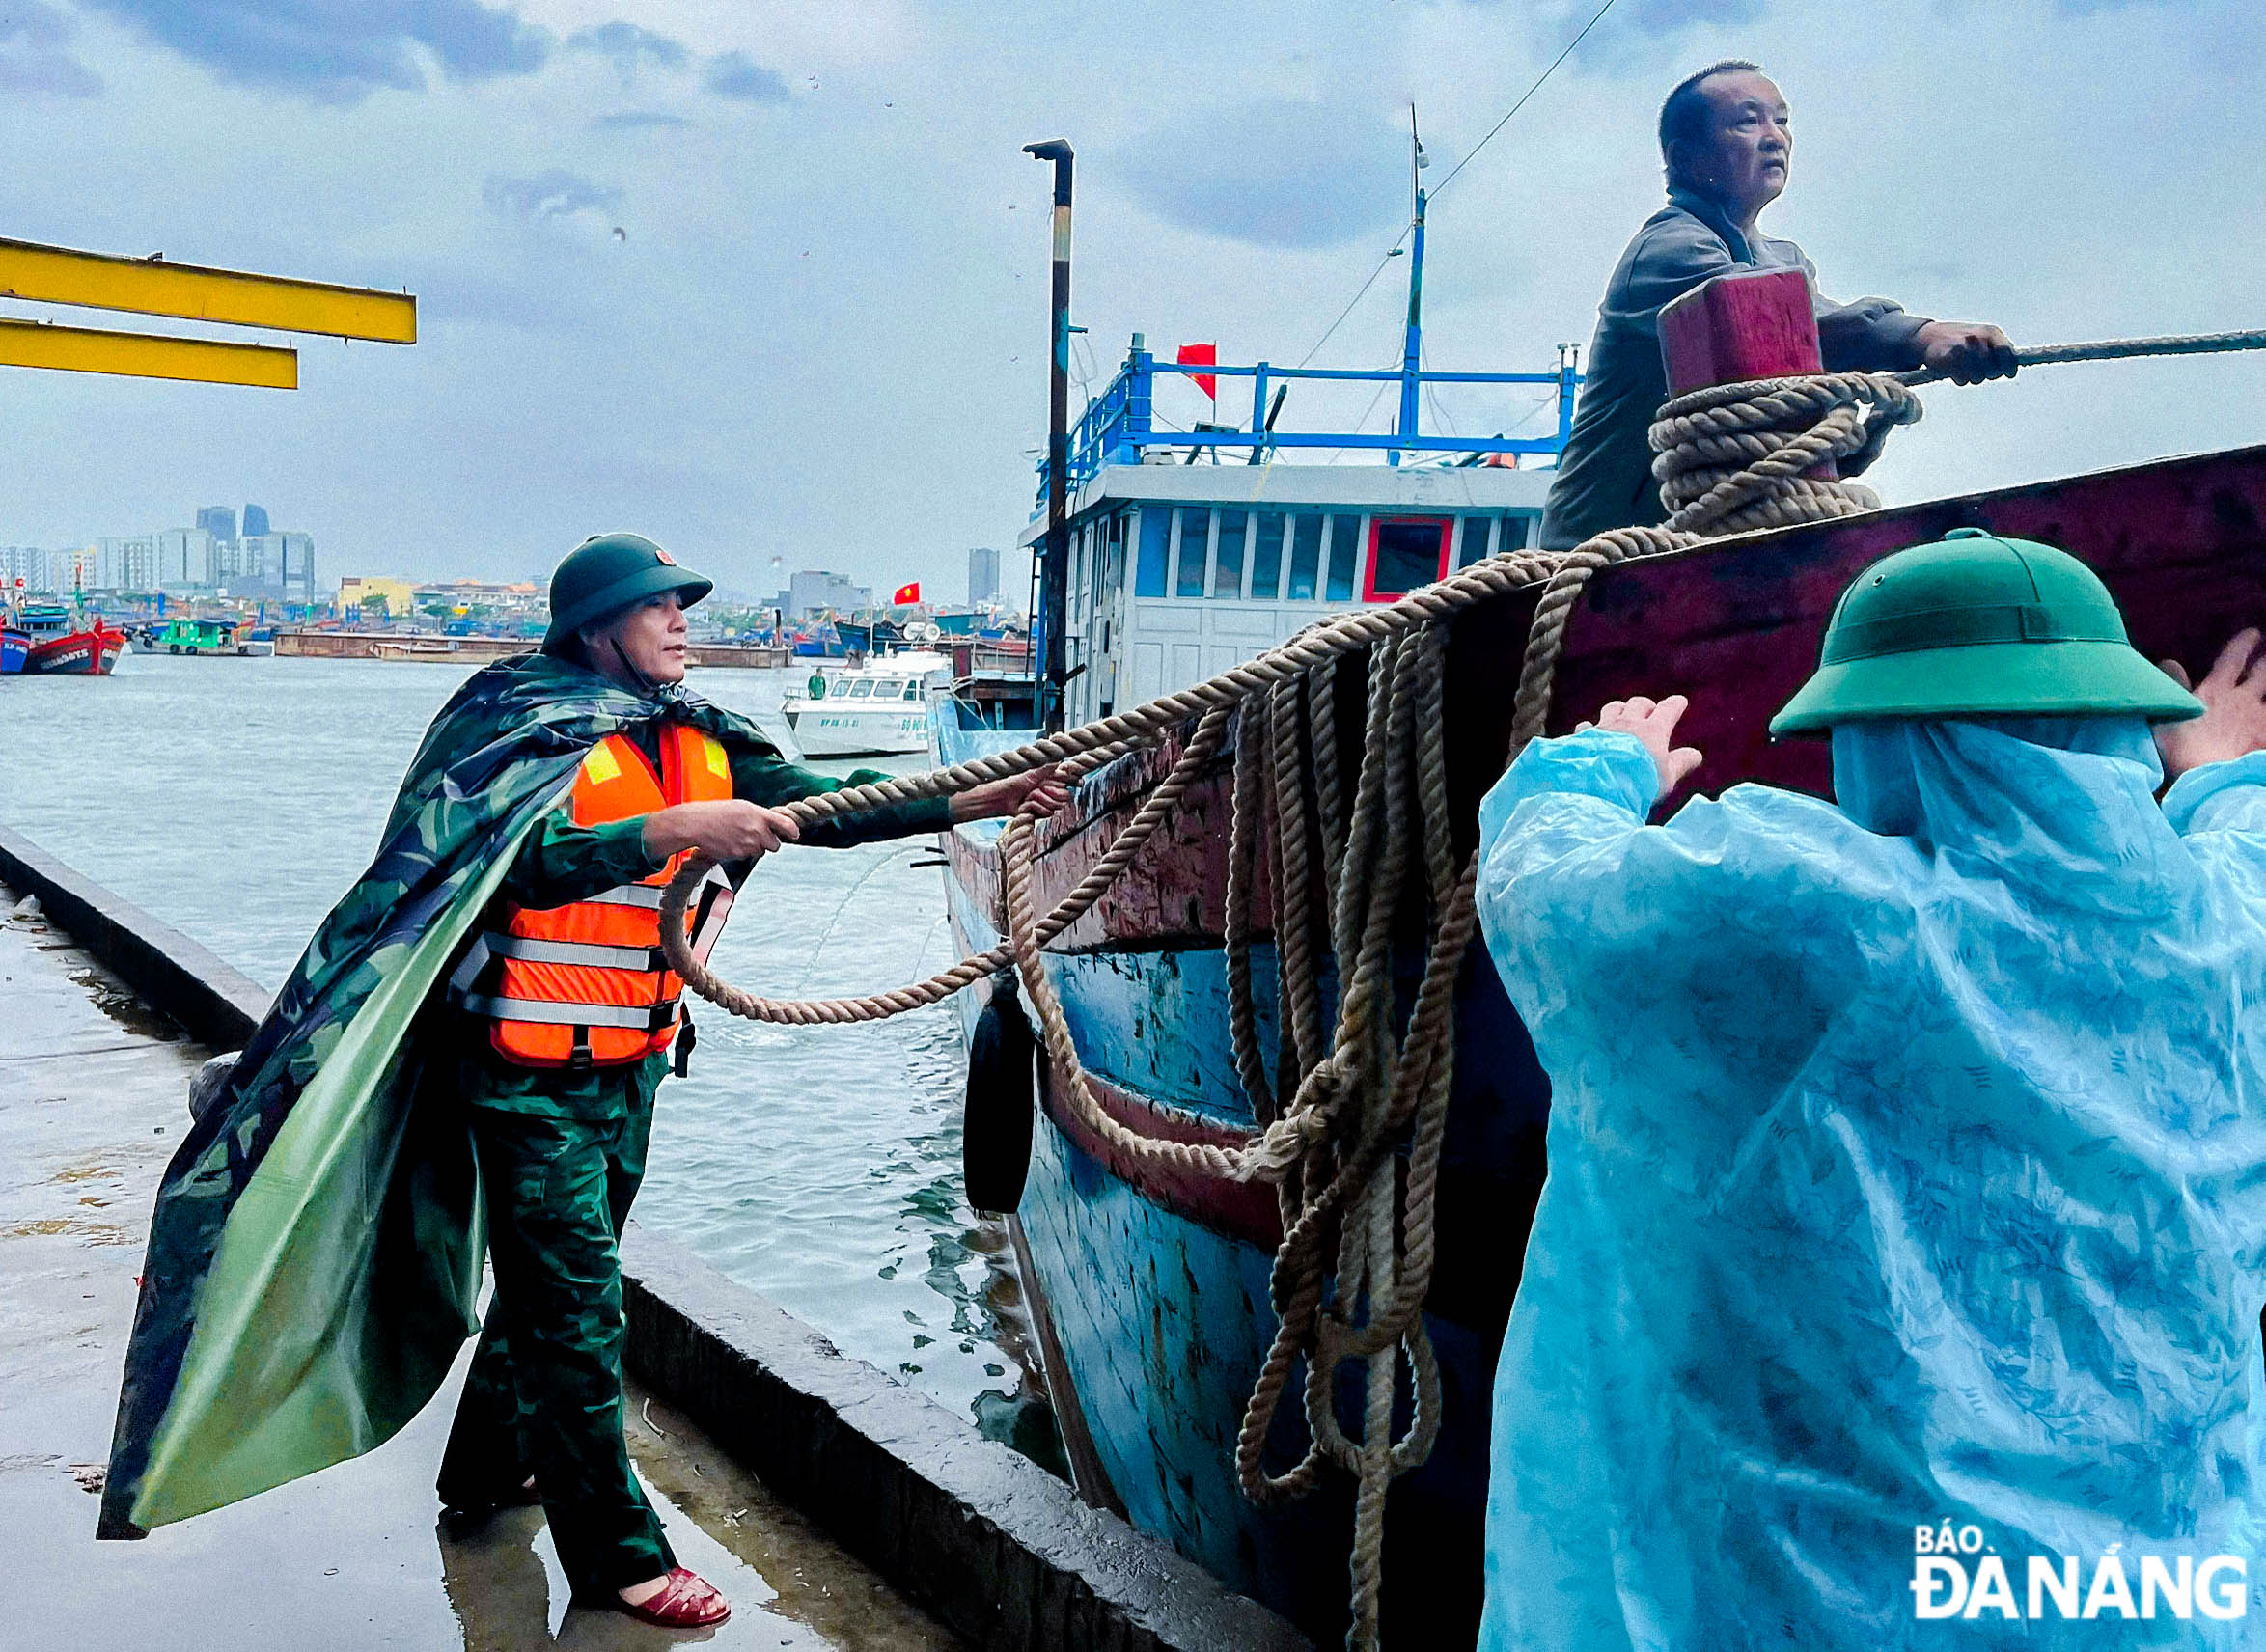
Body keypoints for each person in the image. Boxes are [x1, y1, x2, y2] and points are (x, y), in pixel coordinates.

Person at [100, 536, 1062, 1632]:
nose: (683, 621)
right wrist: (664, 829)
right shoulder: (516, 724)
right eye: (660, 606)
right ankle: (616, 1555)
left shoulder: (700, 732)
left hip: (630, 1066)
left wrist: (977, 795)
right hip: (524, 1079)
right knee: (579, 1310)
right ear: (596, 623)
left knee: (547, 1294)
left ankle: (488, 1467)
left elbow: (819, 804)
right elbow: (511, 857)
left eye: (685, 604)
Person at [1472, 527, 2266, 1646]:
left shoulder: (1816, 919)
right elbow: (2245, 838)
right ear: (2119, 729)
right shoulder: (2228, 933)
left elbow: (1545, 889)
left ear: (1872, 737)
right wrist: (2225, 770)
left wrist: (1599, 765)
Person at [1540, 62, 2017, 550]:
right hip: (1604, 555)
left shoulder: (1783, 260)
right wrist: (1919, 336)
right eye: (1748, 122)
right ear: (1686, 157)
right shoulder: (1668, 250)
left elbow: (1812, 325)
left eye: (1782, 121)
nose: (1775, 138)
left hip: (1707, 542)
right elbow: (1780, 331)